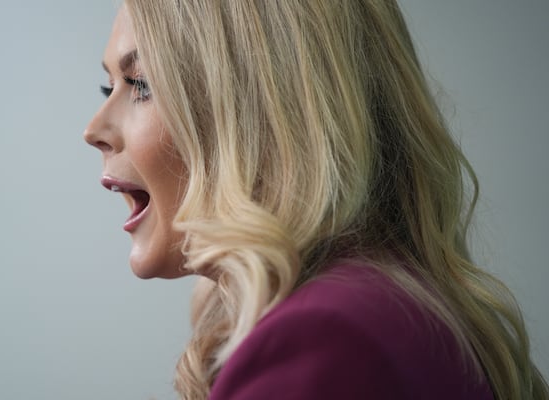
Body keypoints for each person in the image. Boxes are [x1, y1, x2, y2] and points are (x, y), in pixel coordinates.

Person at [84, 1, 548, 399]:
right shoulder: (394, 308)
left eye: (140, 84)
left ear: (260, 110)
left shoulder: (321, 341)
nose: (93, 131)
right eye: (110, 87)